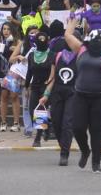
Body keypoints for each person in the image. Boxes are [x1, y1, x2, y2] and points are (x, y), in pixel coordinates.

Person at [65, 19, 101, 173]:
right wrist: (71, 25)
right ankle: (85, 150)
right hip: (81, 96)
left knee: (96, 130)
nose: (97, 44)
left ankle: (96, 163)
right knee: (78, 128)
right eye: (94, 41)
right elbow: (68, 36)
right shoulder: (82, 49)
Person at [38, 32, 81, 166]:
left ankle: (64, 153)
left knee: (67, 123)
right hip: (57, 92)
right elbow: (52, 78)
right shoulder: (57, 56)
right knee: (56, 122)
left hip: (73, 93)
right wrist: (45, 95)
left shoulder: (81, 57)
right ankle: (63, 145)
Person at [25, 32, 55, 147]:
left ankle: (38, 137)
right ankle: (47, 128)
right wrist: (26, 86)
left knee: (41, 111)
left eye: (44, 39)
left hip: (46, 86)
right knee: (33, 109)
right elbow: (29, 72)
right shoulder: (31, 55)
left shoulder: (52, 55)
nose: (41, 42)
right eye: (39, 39)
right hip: (35, 86)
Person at [9, 25, 40, 136]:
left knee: (39, 104)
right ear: (27, 34)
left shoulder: (43, 44)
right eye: (32, 32)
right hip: (25, 79)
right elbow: (11, 58)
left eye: (36, 32)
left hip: (38, 78)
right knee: (26, 105)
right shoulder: (22, 44)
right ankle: (28, 128)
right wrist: (19, 57)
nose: (34, 35)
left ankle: (41, 129)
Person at [0, 22, 22, 132]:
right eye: (4, 29)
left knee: (14, 96)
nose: (6, 31)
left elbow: (21, 57)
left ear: (12, 30)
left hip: (14, 72)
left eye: (8, 29)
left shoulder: (17, 42)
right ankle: (3, 122)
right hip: (2, 72)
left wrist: (16, 50)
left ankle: (16, 123)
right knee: (3, 96)